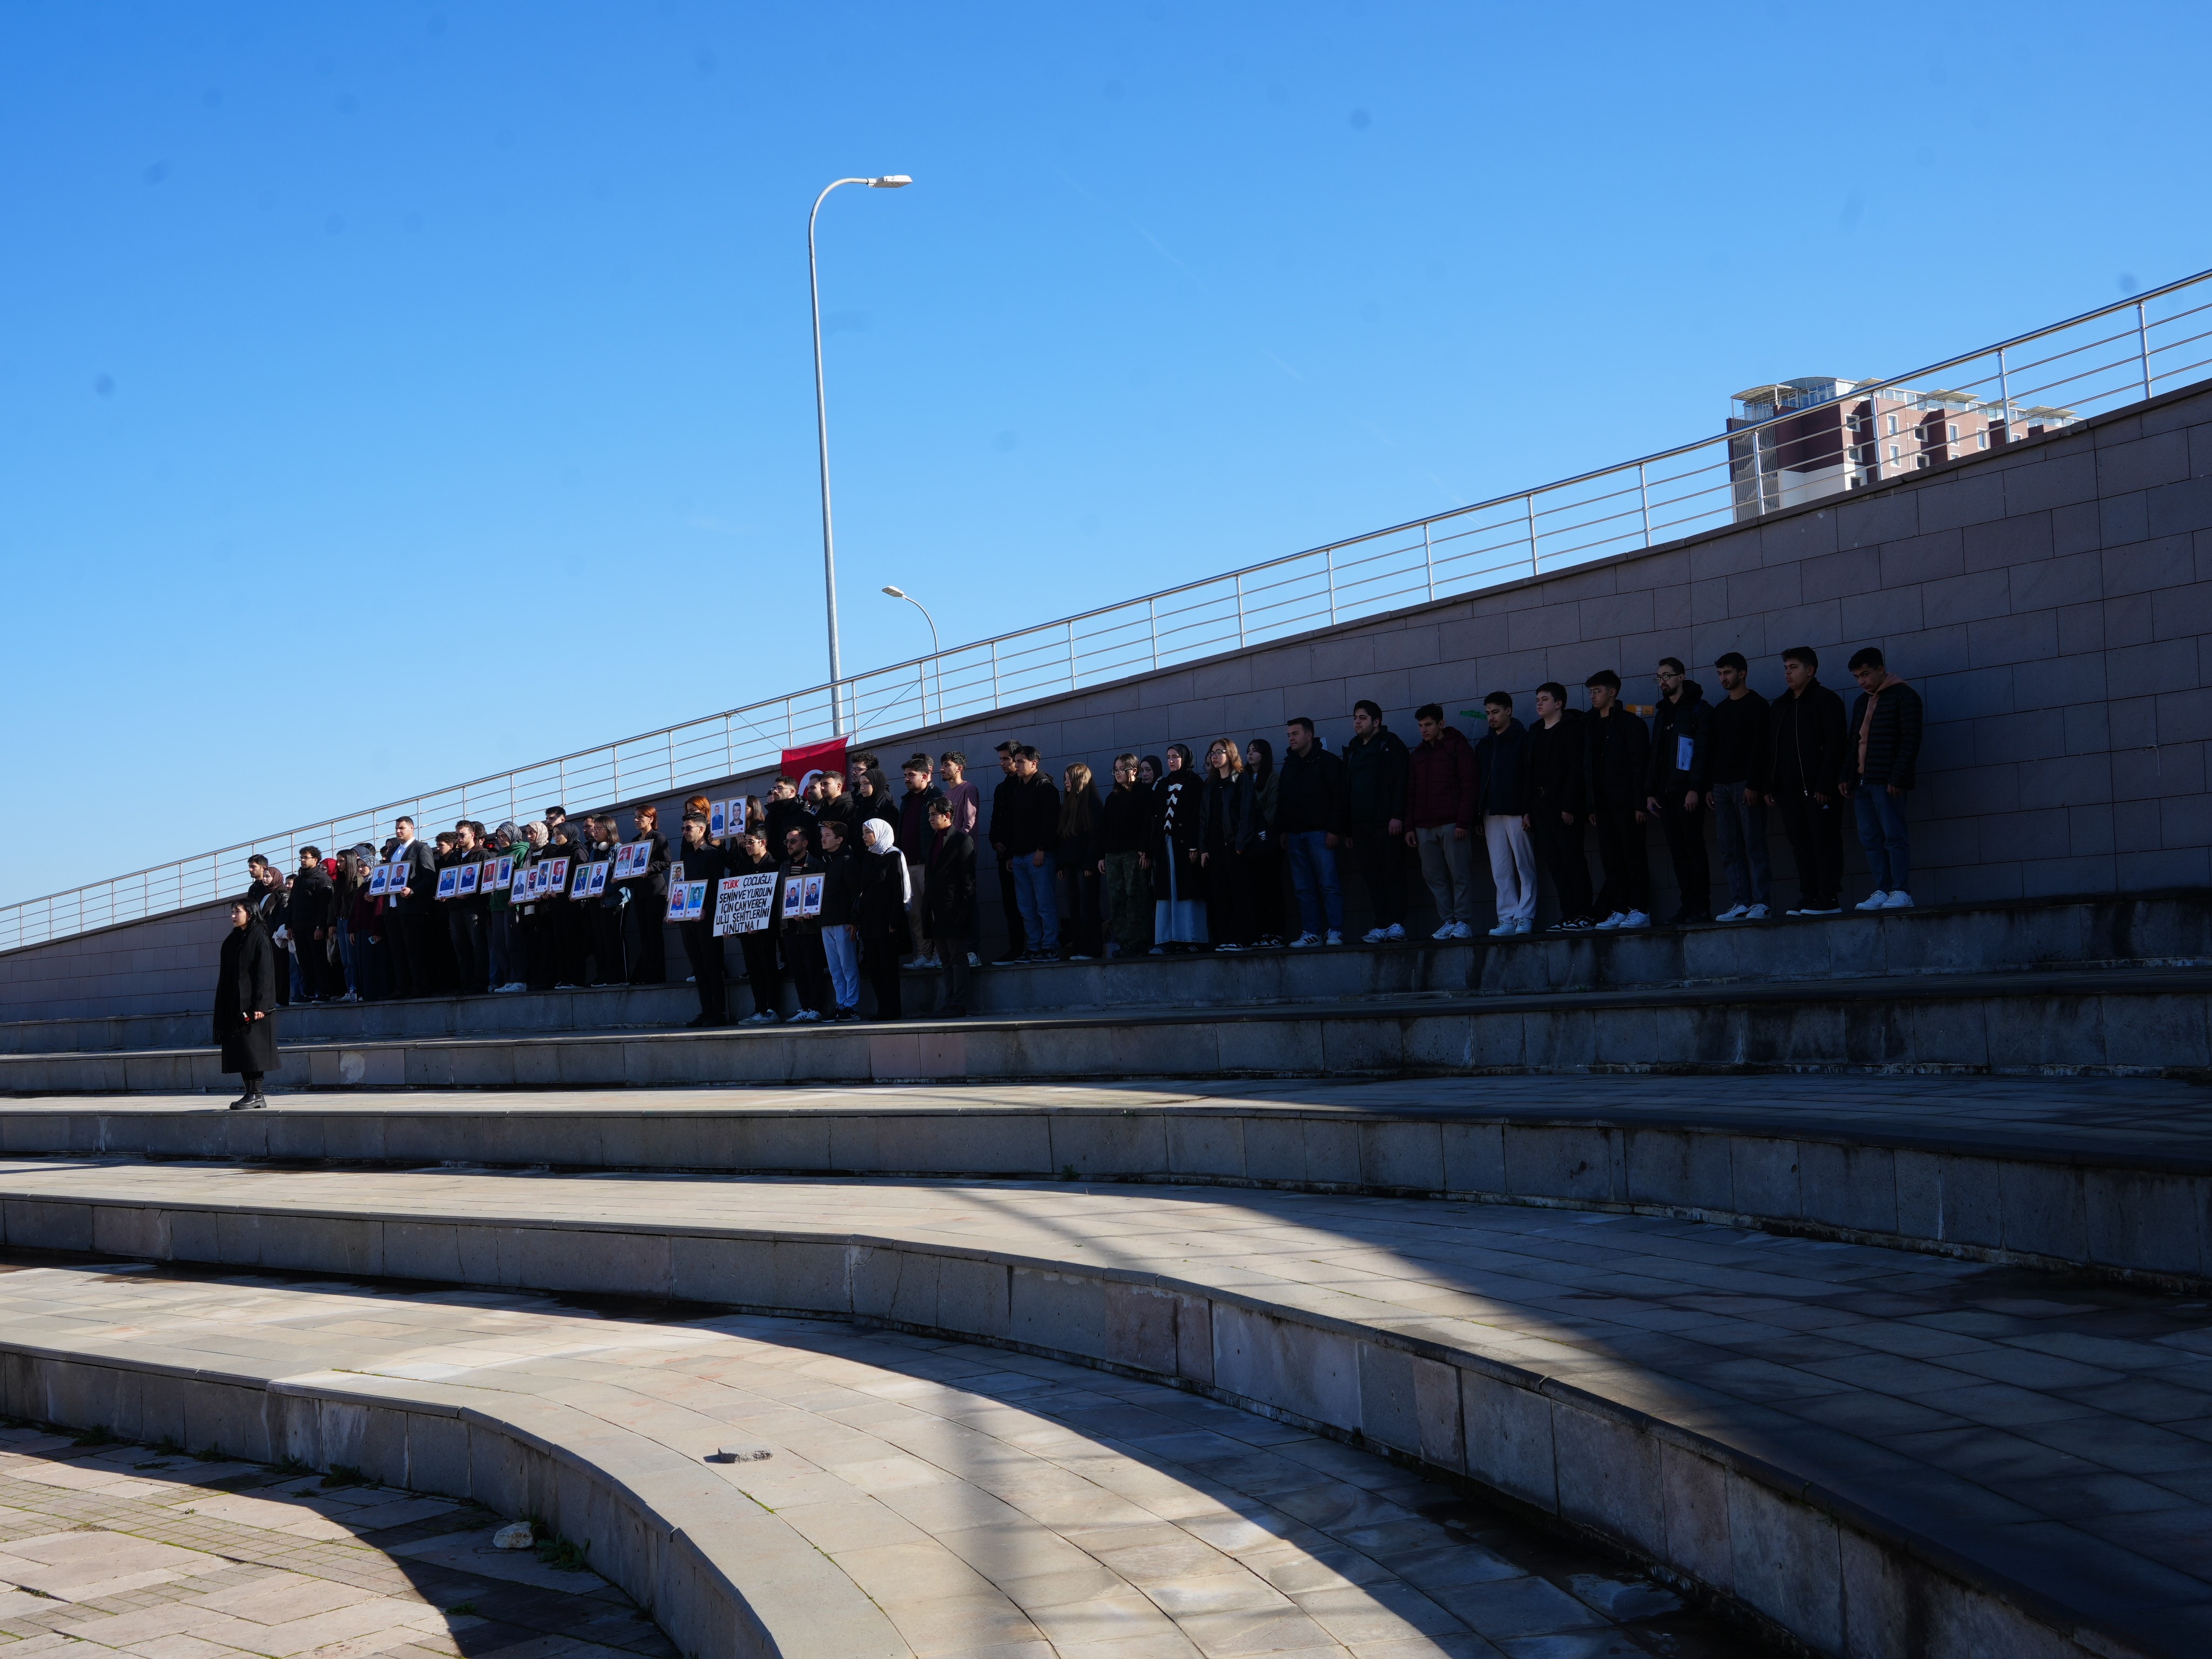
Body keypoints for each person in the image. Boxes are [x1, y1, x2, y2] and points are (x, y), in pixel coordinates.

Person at [1766, 646, 1849, 916]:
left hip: (1818, 791)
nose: (1787, 673)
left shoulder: (1826, 701)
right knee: (1801, 846)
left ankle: (1829, 898)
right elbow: (1773, 749)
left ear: (1810, 670)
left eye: (1794, 667)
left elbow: (1836, 746)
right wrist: (1772, 786)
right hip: (1788, 792)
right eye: (1786, 668)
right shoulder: (1781, 705)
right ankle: (1809, 896)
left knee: (1825, 842)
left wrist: (1825, 785)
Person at [1844, 647, 1924, 911]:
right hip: (1863, 782)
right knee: (1870, 839)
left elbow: (1911, 740)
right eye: (1857, 677)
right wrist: (1847, 776)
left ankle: (1901, 890)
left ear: (1881, 670)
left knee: (1894, 836)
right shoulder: (1862, 701)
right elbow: (1854, 741)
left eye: (1865, 674)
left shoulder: (1905, 696)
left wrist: (1898, 778)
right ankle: (1883, 889)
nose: (1861, 681)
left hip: (1886, 781)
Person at [1645, 657, 1714, 925]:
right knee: (1677, 852)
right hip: (1666, 794)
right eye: (1659, 677)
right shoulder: (1662, 711)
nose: (1662, 681)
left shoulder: (1699, 708)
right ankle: (1687, 905)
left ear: (1681, 677)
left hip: (1687, 792)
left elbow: (1702, 753)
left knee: (1694, 849)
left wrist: (1695, 789)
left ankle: (1702, 907)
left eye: (1667, 676)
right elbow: (1656, 754)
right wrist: (1651, 791)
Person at [1583, 671, 1653, 930]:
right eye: (1591, 692)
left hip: (1627, 804)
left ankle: (1640, 910)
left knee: (1634, 857)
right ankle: (1620, 909)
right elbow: (1588, 768)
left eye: (1597, 691)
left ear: (1612, 693)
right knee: (1611, 860)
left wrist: (1640, 804)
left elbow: (1639, 765)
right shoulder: (1589, 725)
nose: (1593, 696)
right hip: (1602, 806)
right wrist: (1591, 805)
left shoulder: (1630, 723)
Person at [1707, 653, 1772, 921]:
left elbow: (1762, 749)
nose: (1723, 678)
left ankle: (1761, 902)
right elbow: (1713, 751)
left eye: (1728, 672)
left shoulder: (1757, 705)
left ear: (1742, 673)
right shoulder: (1720, 710)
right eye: (1720, 673)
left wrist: (1754, 784)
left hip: (1746, 785)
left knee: (1754, 844)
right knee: (1729, 847)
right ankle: (1741, 902)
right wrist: (1710, 786)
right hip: (1721, 787)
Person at [1405, 704, 1479, 940]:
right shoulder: (1418, 755)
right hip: (1424, 827)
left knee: (1460, 875)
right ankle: (1448, 921)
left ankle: (1463, 922)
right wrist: (1409, 827)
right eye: (1420, 726)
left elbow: (1470, 787)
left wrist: (1463, 822)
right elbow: (1411, 793)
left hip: (1452, 824)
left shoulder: (1459, 748)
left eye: (1428, 725)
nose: (1424, 730)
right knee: (1434, 877)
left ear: (1441, 724)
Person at [1525, 683, 1594, 931]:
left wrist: (1569, 805)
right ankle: (1569, 914)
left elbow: (1576, 769)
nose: (1539, 703)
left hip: (1563, 805)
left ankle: (1584, 914)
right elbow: (1529, 772)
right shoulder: (1535, 731)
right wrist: (1528, 810)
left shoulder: (1572, 728)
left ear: (1559, 703)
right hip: (1540, 805)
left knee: (1572, 858)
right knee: (1554, 861)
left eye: (1544, 699)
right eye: (1538, 699)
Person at [1277, 717, 1348, 947]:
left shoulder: (1328, 762)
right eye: (1289, 735)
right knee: (1303, 888)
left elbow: (1339, 797)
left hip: (1321, 834)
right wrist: (1284, 830)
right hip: (1295, 836)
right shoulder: (1289, 764)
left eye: (1295, 734)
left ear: (1309, 735)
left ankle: (1335, 930)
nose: (1291, 738)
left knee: (1329, 885)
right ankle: (1312, 933)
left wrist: (1334, 829)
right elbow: (1283, 799)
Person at [1344, 700, 1411, 944]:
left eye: (1362, 718)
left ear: (1377, 721)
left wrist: (1397, 815)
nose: (1357, 722)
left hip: (1386, 822)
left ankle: (1396, 924)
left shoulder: (1390, 744)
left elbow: (1402, 781)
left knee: (1393, 872)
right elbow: (1347, 790)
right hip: (1360, 825)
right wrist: (1348, 829)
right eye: (1355, 718)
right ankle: (1381, 924)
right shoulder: (1352, 750)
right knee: (1372, 876)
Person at [1472, 694, 1537, 936]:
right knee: (1500, 868)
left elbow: (1529, 777)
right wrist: (1478, 816)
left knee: (1524, 864)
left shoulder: (1523, 739)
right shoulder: (1485, 744)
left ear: (1509, 711)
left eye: (1496, 712)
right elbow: (1479, 782)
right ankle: (1507, 918)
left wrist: (1528, 809)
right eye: (1488, 713)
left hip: (1516, 809)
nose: (1491, 717)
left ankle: (1525, 916)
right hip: (1491, 812)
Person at [214, 898, 279, 1110]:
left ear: (250, 913)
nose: (233, 916)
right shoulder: (233, 939)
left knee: (254, 1051)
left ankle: (257, 1094)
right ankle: (249, 1093)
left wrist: (260, 1005)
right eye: (232, 912)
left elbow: (265, 973)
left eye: (238, 912)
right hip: (236, 1004)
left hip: (254, 1006)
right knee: (242, 1050)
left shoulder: (259, 937)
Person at [1003, 747, 1062, 961]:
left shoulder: (1045, 787)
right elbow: (1014, 825)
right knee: (1026, 908)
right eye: (1016, 761)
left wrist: (1042, 848)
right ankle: (1034, 947)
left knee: (1044, 905)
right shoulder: (1019, 788)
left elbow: (1051, 822)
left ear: (1034, 764)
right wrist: (1011, 855)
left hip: (1039, 856)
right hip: (1020, 858)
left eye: (1021, 761)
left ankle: (1050, 947)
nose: (1016, 765)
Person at [1149, 744, 1208, 952]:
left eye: (1175, 756)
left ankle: (1192, 938)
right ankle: (1167, 939)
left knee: (1187, 890)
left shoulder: (1194, 782)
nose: (1171, 761)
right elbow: (1155, 815)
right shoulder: (1164, 784)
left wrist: (1194, 845)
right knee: (1167, 893)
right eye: (1168, 757)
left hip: (1185, 847)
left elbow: (1197, 815)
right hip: (1166, 846)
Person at [922, 798, 977, 1016]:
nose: (930, 819)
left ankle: (959, 1003)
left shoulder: (961, 841)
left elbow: (968, 881)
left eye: (934, 814)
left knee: (957, 957)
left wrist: (964, 911)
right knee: (945, 960)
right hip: (936, 911)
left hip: (954, 910)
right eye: (929, 814)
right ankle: (949, 1002)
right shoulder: (933, 841)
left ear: (947, 816)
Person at [673, 813, 728, 1026]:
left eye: (688, 828)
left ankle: (718, 1013)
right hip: (688, 919)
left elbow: (718, 885)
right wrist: (674, 909)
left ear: (702, 830)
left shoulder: (712, 854)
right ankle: (706, 1011)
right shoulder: (688, 857)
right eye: (683, 829)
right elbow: (682, 887)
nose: (685, 832)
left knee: (712, 964)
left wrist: (707, 910)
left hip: (707, 919)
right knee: (698, 966)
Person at [1197, 740, 1252, 951]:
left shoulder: (1241, 778)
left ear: (1230, 754)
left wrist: (1241, 841)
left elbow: (1247, 812)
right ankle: (1225, 938)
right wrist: (1204, 848)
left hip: (1234, 844)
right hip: (1215, 847)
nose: (1214, 756)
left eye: (1219, 752)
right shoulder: (1210, 784)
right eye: (1212, 753)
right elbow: (1204, 818)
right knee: (1220, 893)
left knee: (1239, 891)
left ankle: (1242, 938)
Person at [856, 819, 914, 1019]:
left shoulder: (894, 855)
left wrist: (895, 921)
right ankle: (882, 1009)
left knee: (888, 968)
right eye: (863, 832)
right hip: (869, 922)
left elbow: (899, 889)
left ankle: (892, 1010)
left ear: (879, 833)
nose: (864, 837)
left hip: (887, 923)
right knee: (875, 969)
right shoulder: (868, 857)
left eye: (868, 832)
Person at [725, 826, 784, 1023]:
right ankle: (759, 1009)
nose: (747, 846)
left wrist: (763, 923)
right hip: (746, 929)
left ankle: (773, 1009)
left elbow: (776, 901)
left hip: (766, 929)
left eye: (751, 842)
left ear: (763, 843)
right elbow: (737, 898)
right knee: (753, 969)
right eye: (746, 842)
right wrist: (730, 923)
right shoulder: (744, 866)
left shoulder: (775, 866)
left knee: (768, 966)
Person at [1098, 753, 1151, 959]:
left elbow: (1148, 824)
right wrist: (1102, 855)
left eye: (1122, 769)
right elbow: (1104, 828)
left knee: (1135, 896)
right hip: (1113, 855)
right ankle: (1125, 942)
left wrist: (1145, 850)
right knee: (1117, 898)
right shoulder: (1112, 797)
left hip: (1133, 854)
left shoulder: (1144, 794)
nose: (1118, 773)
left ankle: (1139, 942)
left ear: (1134, 771)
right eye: (1116, 769)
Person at [775, 825, 830, 1022]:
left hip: (810, 928)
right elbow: (781, 896)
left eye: (793, 841)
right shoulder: (784, 866)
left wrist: (811, 914)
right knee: (797, 970)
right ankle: (804, 1007)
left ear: (805, 843)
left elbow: (823, 897)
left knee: (813, 969)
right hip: (789, 928)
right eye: (787, 841)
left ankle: (816, 1008)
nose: (789, 845)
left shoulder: (817, 865)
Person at [897, 756, 947, 968]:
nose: (907, 779)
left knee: (935, 911)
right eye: (905, 775)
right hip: (908, 866)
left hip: (929, 866)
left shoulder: (938, 797)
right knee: (916, 915)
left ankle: (939, 954)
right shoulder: (906, 800)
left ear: (926, 776)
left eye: (912, 775)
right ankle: (924, 954)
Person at [386, 815, 439, 996]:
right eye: (397, 828)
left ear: (412, 828)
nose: (398, 831)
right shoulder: (393, 852)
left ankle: (419, 987)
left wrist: (413, 891)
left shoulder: (421, 848)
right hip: (393, 907)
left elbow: (430, 877)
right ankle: (402, 987)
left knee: (414, 949)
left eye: (402, 828)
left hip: (411, 908)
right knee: (397, 950)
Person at [1055, 763, 1104, 960]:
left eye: (1070, 778)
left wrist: (1090, 863)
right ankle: (1079, 948)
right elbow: (1062, 836)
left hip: (1085, 866)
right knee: (1074, 907)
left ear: (1080, 780)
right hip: (1070, 864)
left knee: (1088, 907)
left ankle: (1091, 950)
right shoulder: (1067, 804)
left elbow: (1096, 836)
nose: (1066, 782)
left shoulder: (1092, 803)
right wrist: (1060, 864)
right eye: (1065, 779)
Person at [817, 818, 862, 1019]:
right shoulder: (826, 862)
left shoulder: (848, 860)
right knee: (835, 969)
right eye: (822, 835)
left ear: (840, 839)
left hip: (844, 923)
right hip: (826, 922)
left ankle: (852, 1007)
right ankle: (841, 1004)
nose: (823, 839)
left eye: (827, 836)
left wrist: (854, 921)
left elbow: (856, 894)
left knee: (848, 966)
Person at [621, 804, 672, 983]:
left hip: (655, 890)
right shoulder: (635, 840)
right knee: (644, 933)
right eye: (635, 816)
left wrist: (650, 868)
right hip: (640, 891)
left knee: (654, 933)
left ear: (651, 819)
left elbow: (667, 862)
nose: (636, 820)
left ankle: (656, 975)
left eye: (640, 817)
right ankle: (645, 973)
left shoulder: (658, 837)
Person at [1242, 740, 1285, 949]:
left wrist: (1257, 829)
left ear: (1264, 754)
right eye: (1248, 751)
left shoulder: (1273, 778)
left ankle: (1276, 933)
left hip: (1267, 842)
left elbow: (1273, 808)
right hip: (1248, 844)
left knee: (1271, 889)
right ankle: (1260, 933)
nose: (1250, 754)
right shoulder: (1242, 778)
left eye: (1255, 751)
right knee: (1255, 891)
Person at [988, 741, 1028, 962]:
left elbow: (1021, 824)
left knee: (1027, 904)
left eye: (1006, 759)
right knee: (1010, 905)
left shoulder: (1025, 786)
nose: (1002, 763)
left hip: (1020, 856)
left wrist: (1013, 852)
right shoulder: (1001, 788)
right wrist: (995, 841)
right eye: (1001, 759)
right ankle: (1016, 947)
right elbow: (996, 819)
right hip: (1004, 856)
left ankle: (1032, 947)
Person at [288, 848, 335, 1003]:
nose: (303, 860)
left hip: (314, 928)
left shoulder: (322, 879)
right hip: (299, 928)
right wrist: (290, 926)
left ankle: (324, 992)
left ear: (315, 860)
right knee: (305, 962)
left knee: (319, 961)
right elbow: (292, 904)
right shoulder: (299, 880)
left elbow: (325, 906)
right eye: (301, 858)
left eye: (306, 858)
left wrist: (320, 927)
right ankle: (308, 993)